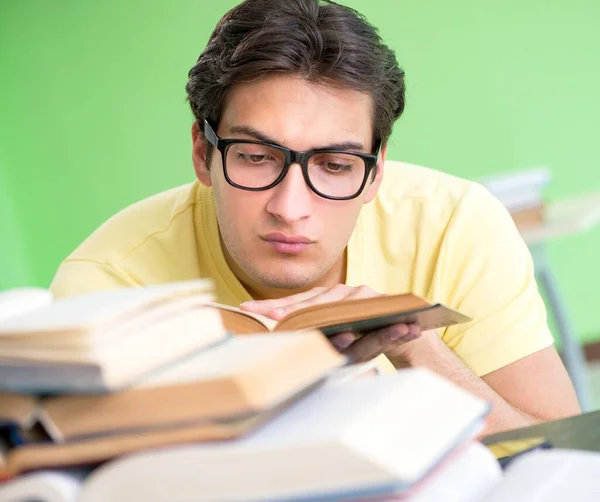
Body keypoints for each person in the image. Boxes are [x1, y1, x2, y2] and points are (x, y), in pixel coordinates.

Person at [50, 0, 581, 433]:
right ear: (201, 153)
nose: (290, 207)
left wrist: (415, 344)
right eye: (256, 157)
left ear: (375, 173)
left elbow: (561, 450)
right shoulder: (109, 283)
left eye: (334, 165)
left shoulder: (456, 225)